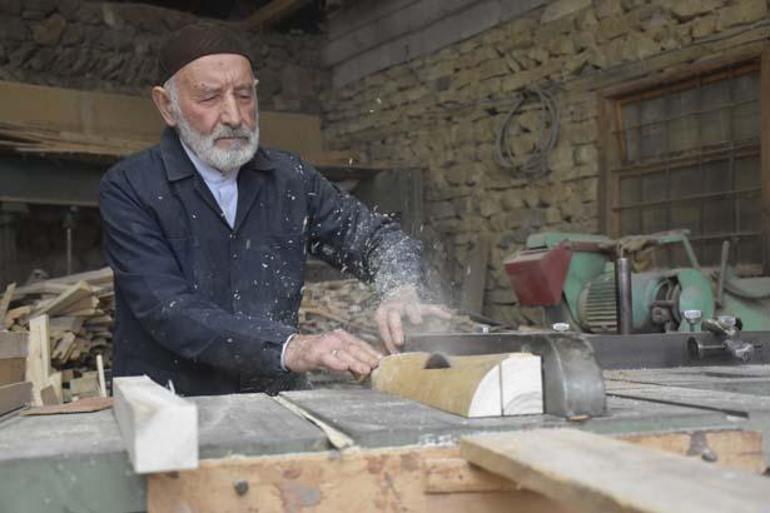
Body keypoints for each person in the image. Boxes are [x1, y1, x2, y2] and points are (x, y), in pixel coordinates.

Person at [98, 24, 447, 396]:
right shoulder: (130, 187)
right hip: (168, 407)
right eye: (210, 97)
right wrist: (290, 347)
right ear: (167, 105)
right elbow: (167, 309)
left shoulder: (291, 179)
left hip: (276, 404)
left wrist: (400, 287)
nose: (234, 115)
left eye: (244, 95)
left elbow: (376, 238)